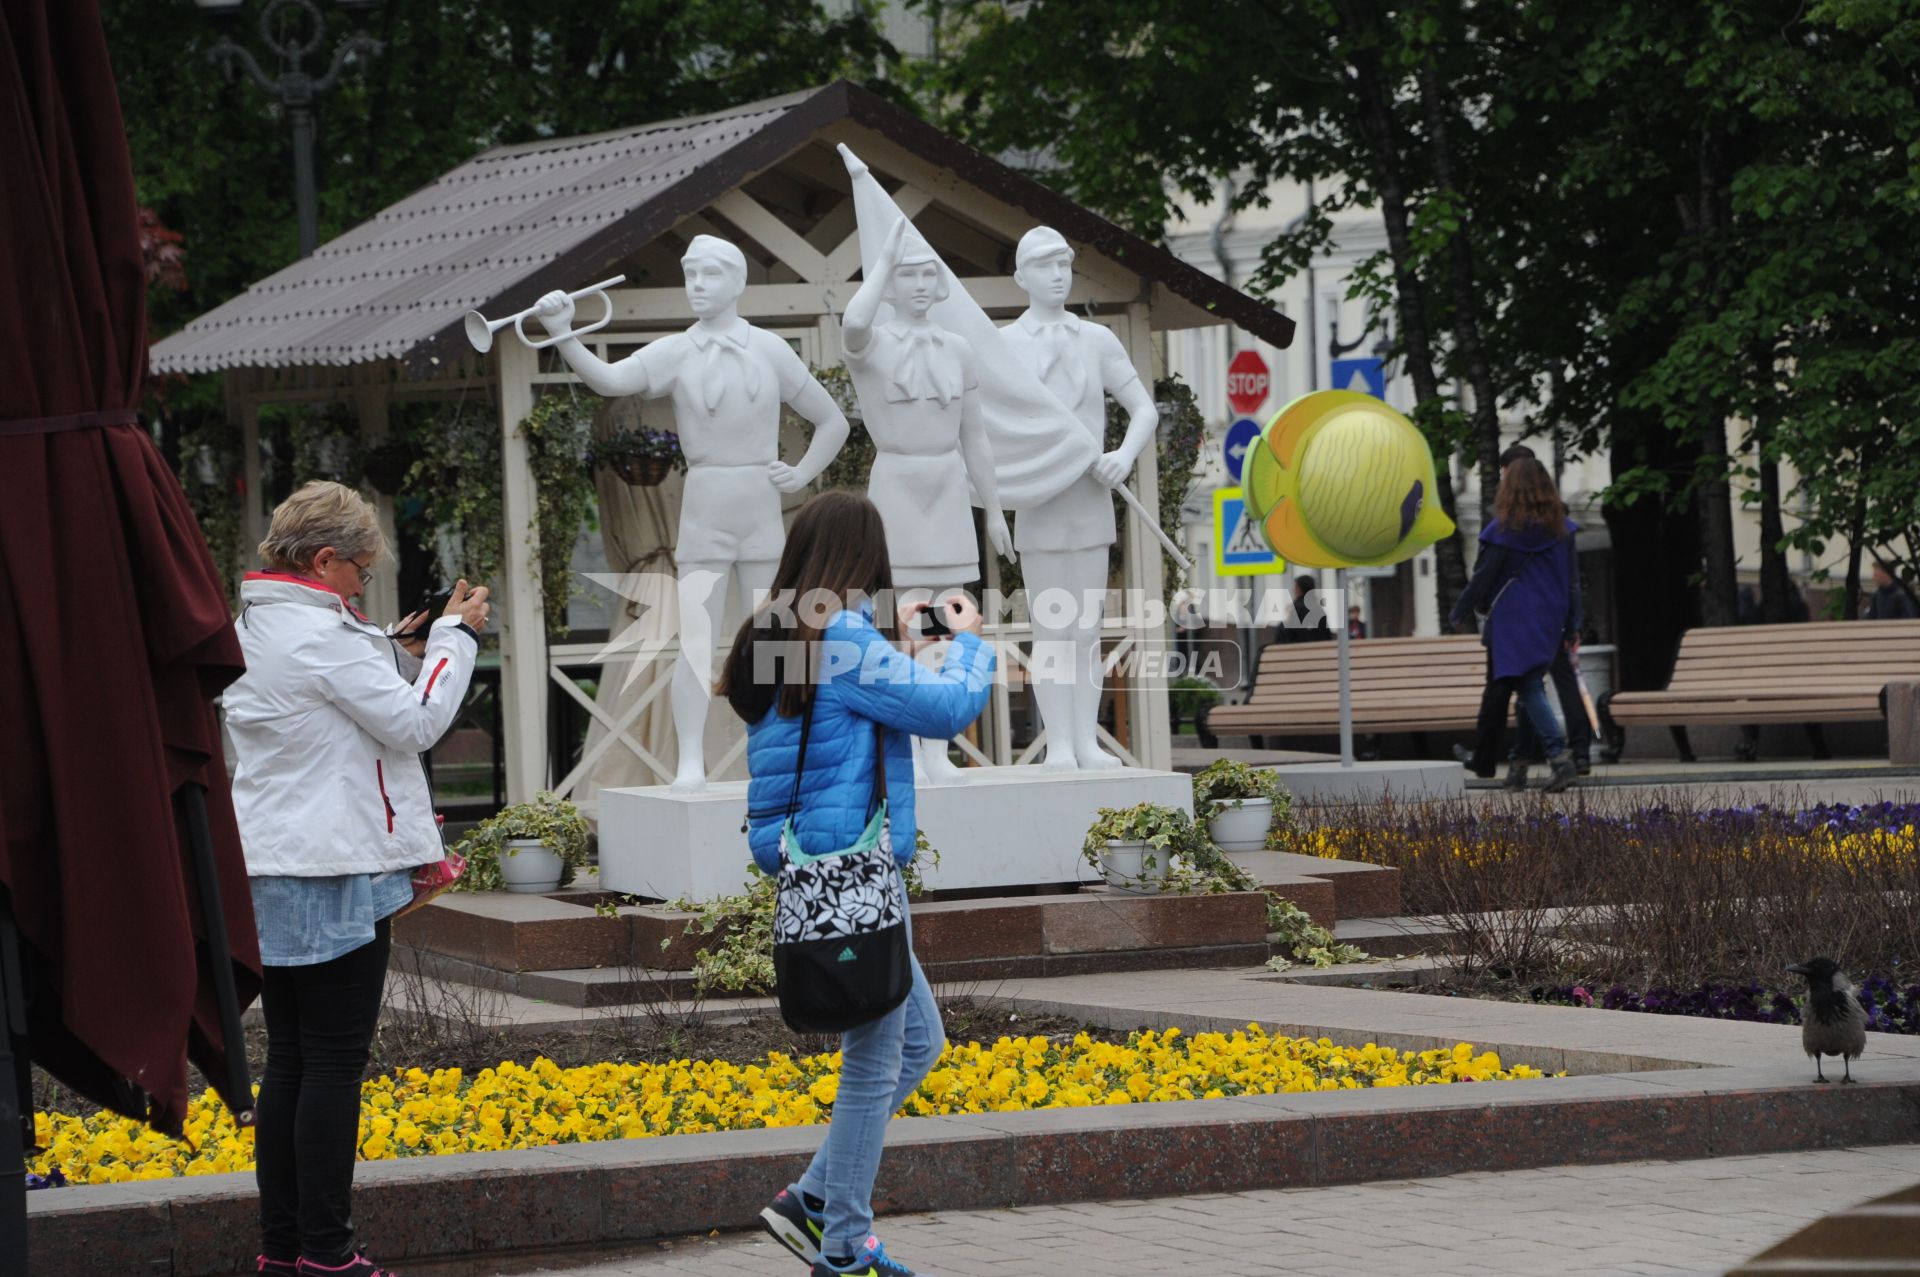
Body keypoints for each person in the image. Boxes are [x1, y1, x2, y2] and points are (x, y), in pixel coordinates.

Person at [721, 491, 995, 1277]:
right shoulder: (840, 637)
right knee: (878, 1053)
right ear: (859, 560)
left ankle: (811, 1199)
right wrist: (969, 644)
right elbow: (944, 710)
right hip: (856, 872)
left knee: (919, 1037)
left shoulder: (774, 634)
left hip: (816, 864)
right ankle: (843, 1242)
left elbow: (842, 711)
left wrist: (897, 642)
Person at [223, 481, 488, 1277]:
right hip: (335, 864)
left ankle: (283, 1248)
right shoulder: (323, 637)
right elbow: (415, 723)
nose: (364, 584)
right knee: (333, 1065)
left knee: (293, 1062)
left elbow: (327, 702)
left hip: (273, 860)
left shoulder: (256, 623)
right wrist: (453, 640)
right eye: (360, 570)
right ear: (325, 557)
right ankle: (331, 1254)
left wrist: (387, 649)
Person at [531, 234, 851, 792]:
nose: (697, 285)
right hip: (705, 504)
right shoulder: (678, 350)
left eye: (708, 274)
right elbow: (610, 380)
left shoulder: (770, 349)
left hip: (758, 503)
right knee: (694, 640)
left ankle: (777, 757)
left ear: (737, 282)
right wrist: (564, 333)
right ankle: (690, 764)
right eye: (690, 274)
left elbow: (834, 422)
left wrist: (800, 474)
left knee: (775, 634)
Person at [1448, 458, 1580, 792]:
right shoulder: (1562, 530)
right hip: (1551, 615)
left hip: (1514, 616)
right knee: (1527, 684)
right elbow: (1573, 581)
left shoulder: (1504, 531)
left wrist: (1460, 612)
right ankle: (1519, 766)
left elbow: (1483, 576)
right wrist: (1574, 622)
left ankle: (1559, 758)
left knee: (1529, 687)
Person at [1281, 573, 1333, 643]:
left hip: (1298, 650)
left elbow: (1288, 634)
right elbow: (1326, 635)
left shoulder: (1297, 609)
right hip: (1320, 650)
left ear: (1300, 589)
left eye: (1296, 587)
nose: (1294, 590)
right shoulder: (1318, 609)